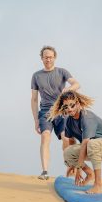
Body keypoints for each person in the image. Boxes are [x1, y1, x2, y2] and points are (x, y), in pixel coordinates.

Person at [49, 91, 102, 194]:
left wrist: (78, 167)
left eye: (72, 105)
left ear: (78, 104)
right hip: (92, 147)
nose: (69, 109)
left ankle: (98, 185)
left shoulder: (87, 117)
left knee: (91, 143)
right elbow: (71, 141)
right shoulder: (69, 121)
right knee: (67, 152)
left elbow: (86, 143)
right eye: (65, 107)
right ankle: (89, 173)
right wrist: (71, 164)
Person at [31, 46, 80, 180]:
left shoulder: (62, 72)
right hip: (45, 112)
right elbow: (34, 99)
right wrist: (36, 120)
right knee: (45, 136)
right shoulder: (36, 76)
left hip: (62, 111)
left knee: (66, 138)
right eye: (46, 57)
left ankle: (71, 168)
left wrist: (68, 89)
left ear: (54, 58)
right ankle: (45, 171)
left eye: (51, 57)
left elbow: (76, 84)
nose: (48, 59)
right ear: (42, 58)